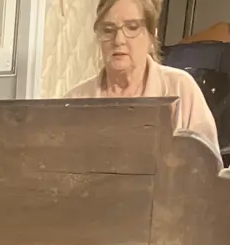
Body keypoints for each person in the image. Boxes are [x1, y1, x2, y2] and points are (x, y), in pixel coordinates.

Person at [66, 0, 221, 162]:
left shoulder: (182, 89)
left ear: (151, 36)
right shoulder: (74, 101)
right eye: (108, 30)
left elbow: (207, 171)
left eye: (132, 27)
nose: (118, 40)